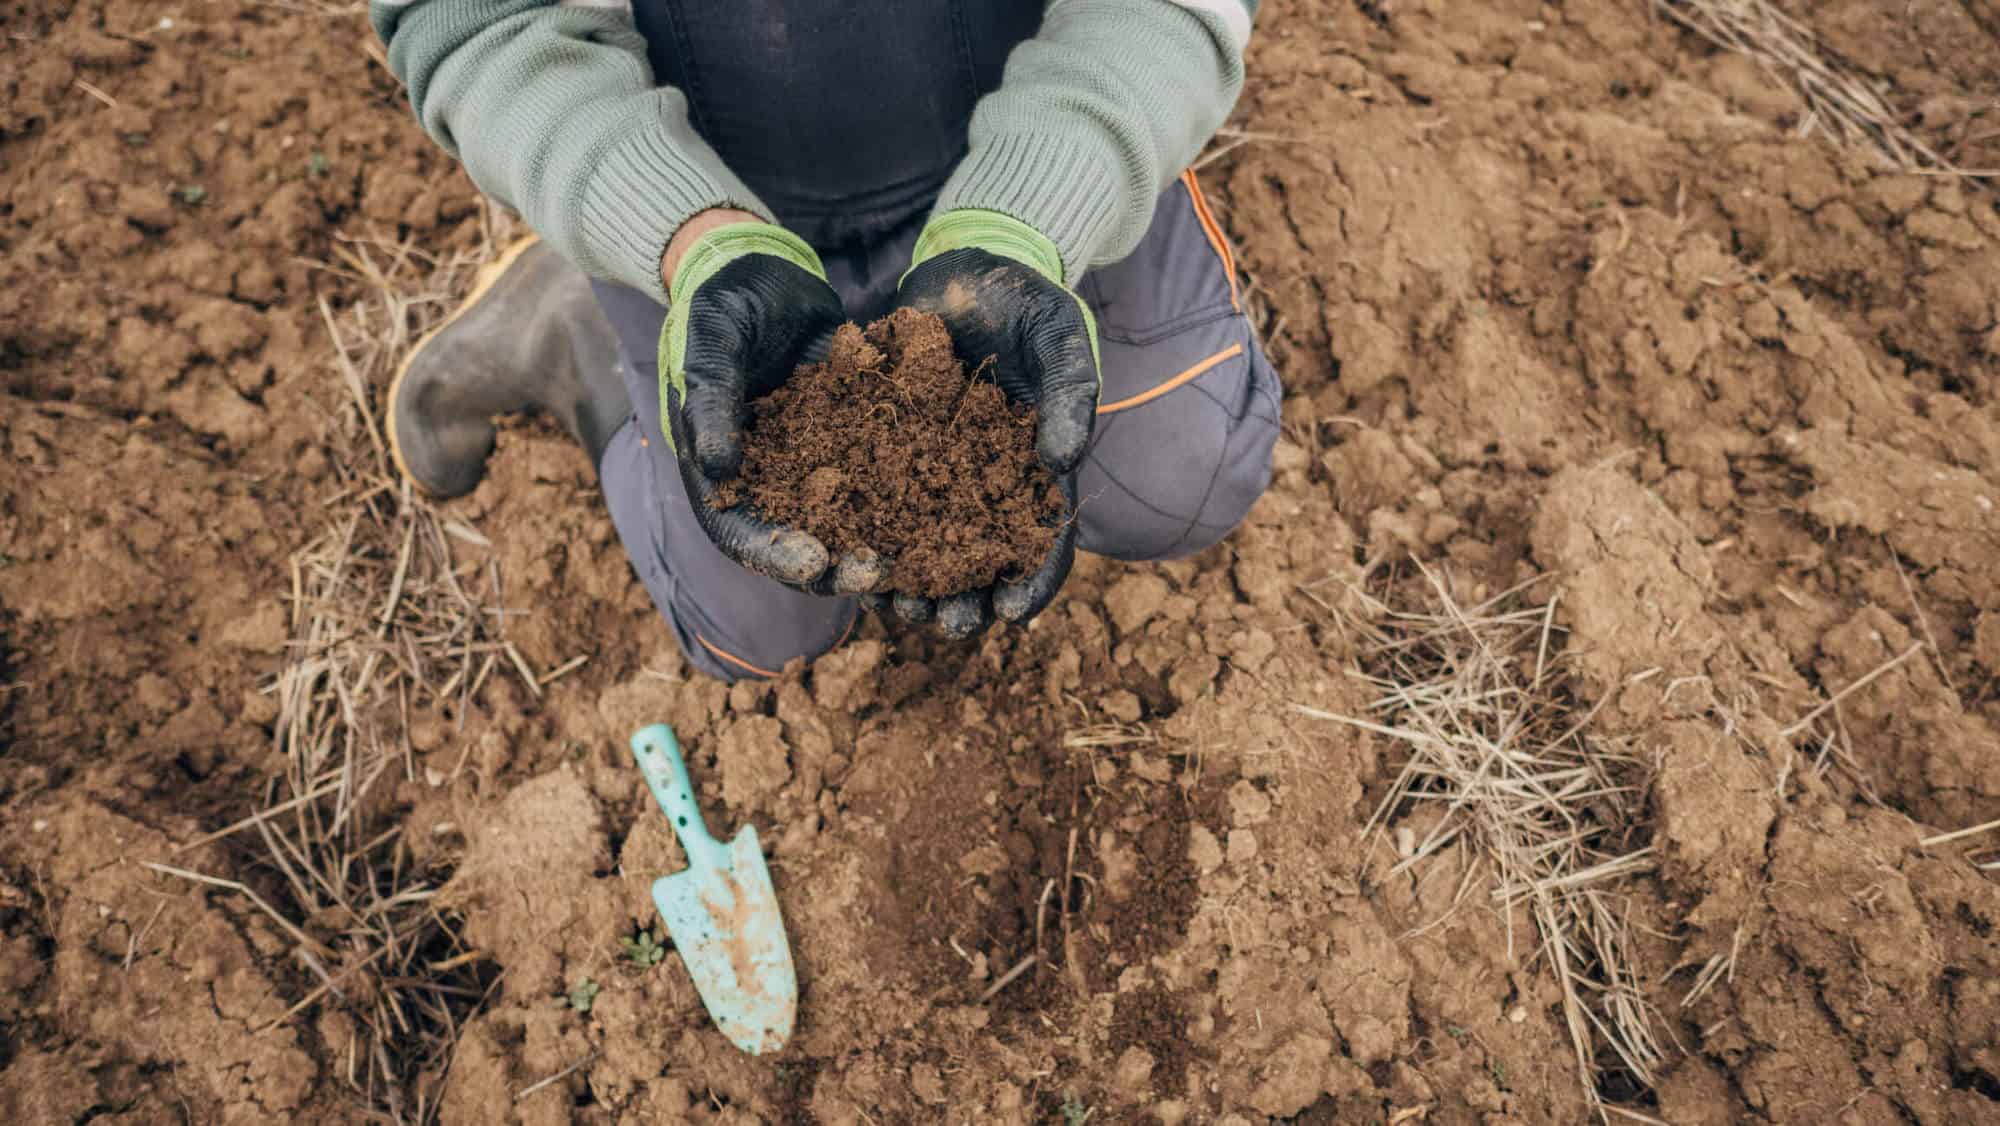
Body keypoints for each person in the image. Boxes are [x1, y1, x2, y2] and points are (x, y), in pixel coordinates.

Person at [373, 0, 1280, 682]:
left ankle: (1017, 220)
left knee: (1181, 468)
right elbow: (476, 21)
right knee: (757, 640)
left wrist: (1026, 222)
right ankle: (577, 327)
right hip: (692, 187)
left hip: (1036, 129)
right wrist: (689, 238)